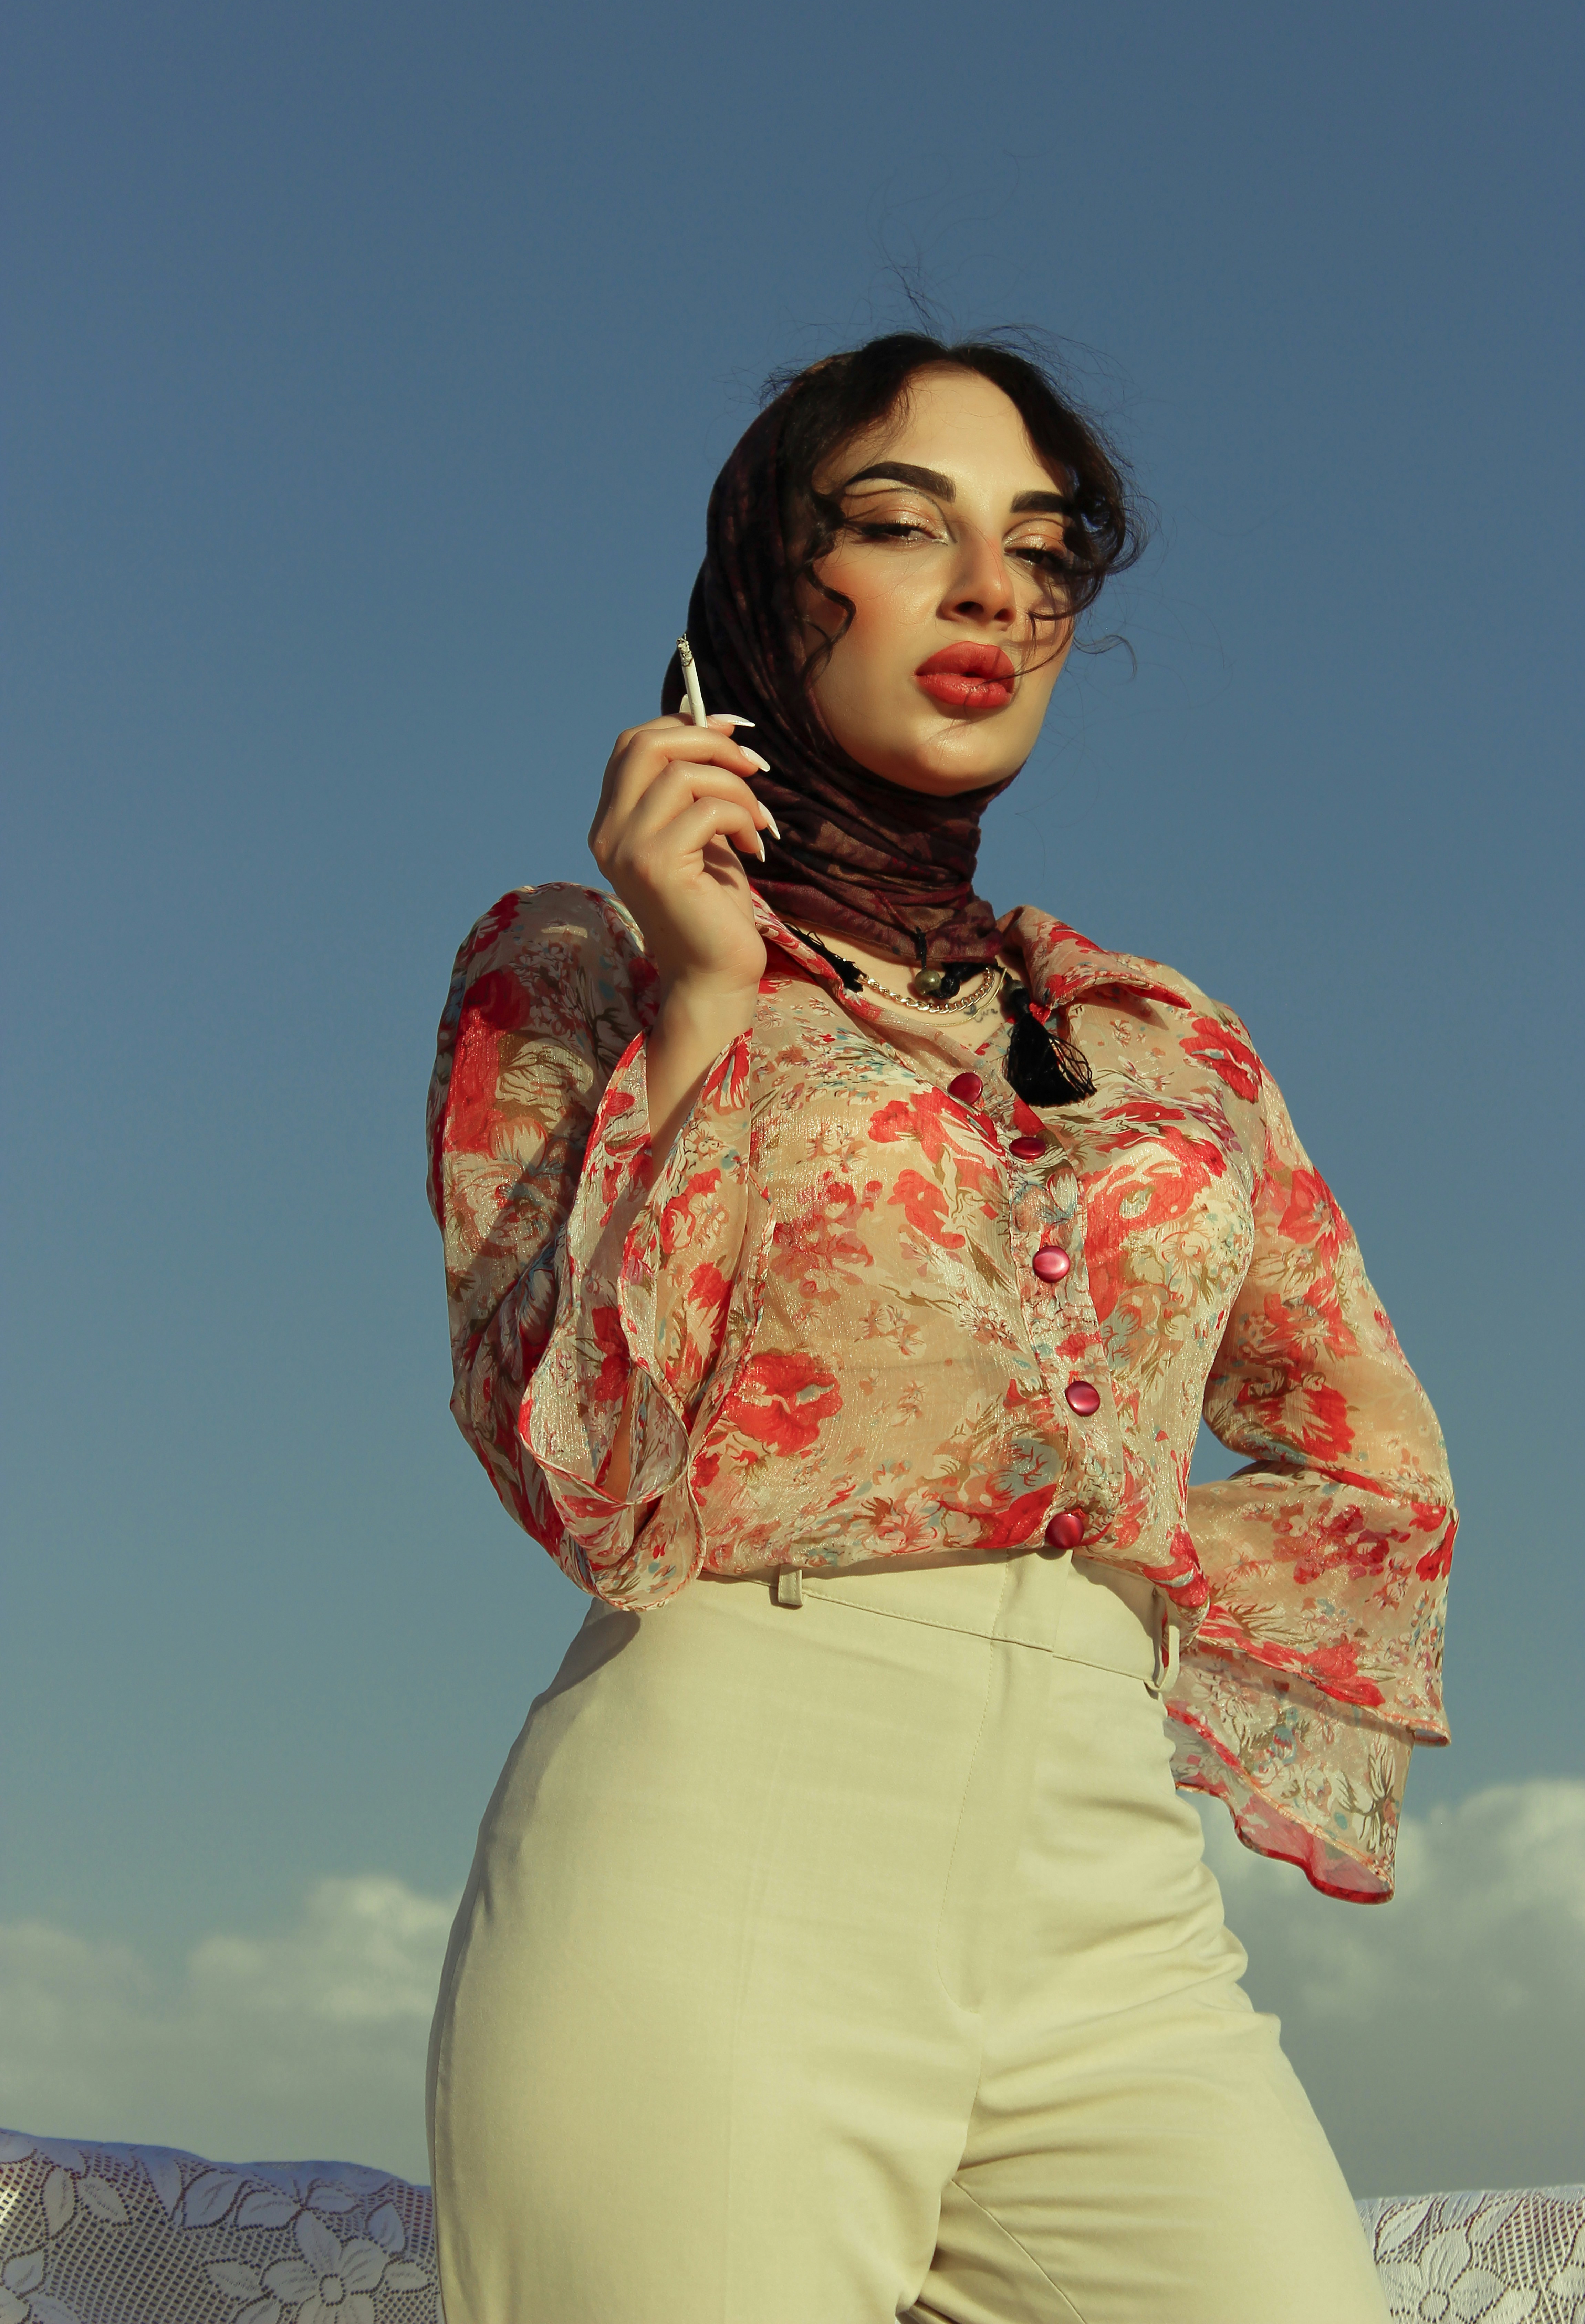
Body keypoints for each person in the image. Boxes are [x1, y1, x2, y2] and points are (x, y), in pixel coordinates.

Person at [423, 334, 1455, 2323]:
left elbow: (1366, 1453)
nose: (994, 591)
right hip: (712, 1852)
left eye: (1043, 551)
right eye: (904, 527)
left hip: (1108, 1894)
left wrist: (1106, 1580)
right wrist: (710, 1001)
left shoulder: (1163, 1046)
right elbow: (584, 1480)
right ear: (759, 585)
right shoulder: (578, 974)